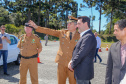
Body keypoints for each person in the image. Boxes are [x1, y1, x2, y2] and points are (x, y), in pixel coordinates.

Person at [28, 16, 80, 84]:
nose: (68, 25)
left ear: (76, 25)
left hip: (73, 65)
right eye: (67, 23)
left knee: (73, 82)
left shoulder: (80, 36)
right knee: (60, 82)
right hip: (61, 63)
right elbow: (49, 31)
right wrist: (36, 27)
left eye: (70, 24)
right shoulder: (62, 32)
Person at [68, 16, 97, 84]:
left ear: (86, 24)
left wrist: (72, 64)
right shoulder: (85, 36)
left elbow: (81, 53)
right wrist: (72, 60)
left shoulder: (88, 36)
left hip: (83, 72)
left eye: (79, 23)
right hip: (82, 72)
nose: (77, 26)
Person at [105, 19, 126, 84]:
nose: (114, 33)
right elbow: (109, 69)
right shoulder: (113, 47)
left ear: (125, 30)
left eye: (116, 30)